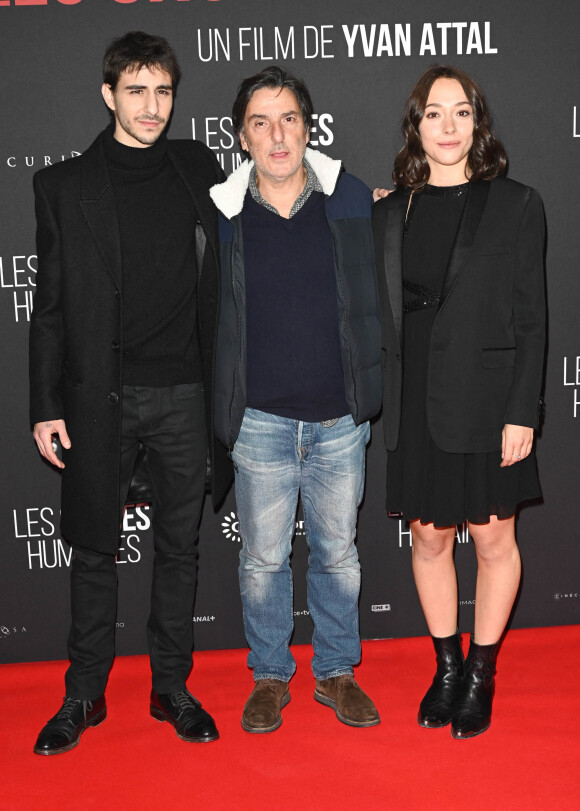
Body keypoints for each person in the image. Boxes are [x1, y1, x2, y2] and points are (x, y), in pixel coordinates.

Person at [29, 31, 232, 755]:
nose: (152, 107)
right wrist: (45, 404)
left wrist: (360, 199)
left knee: (180, 548)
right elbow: (49, 306)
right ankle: (84, 693)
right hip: (97, 399)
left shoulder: (197, 165)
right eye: (137, 91)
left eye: (164, 92)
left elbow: (276, 194)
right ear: (109, 94)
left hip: (184, 391)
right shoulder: (61, 186)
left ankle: (170, 687)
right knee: (92, 547)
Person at [372, 65, 546, 739]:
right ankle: (445, 666)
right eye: (433, 113)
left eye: (461, 113)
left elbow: (532, 316)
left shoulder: (518, 203)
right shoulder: (391, 211)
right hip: (414, 399)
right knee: (427, 535)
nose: (448, 126)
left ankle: (481, 671)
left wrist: (522, 411)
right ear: (415, 126)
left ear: (479, 125)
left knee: (494, 536)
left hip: (487, 400)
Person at [209, 66, 382, 733]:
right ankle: (270, 676)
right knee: (262, 558)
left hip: (340, 419)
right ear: (243, 136)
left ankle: (336, 671)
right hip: (259, 421)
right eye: (260, 122)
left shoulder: (352, 199)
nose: (277, 135)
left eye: (288, 119)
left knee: (339, 552)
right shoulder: (222, 212)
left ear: (308, 127)